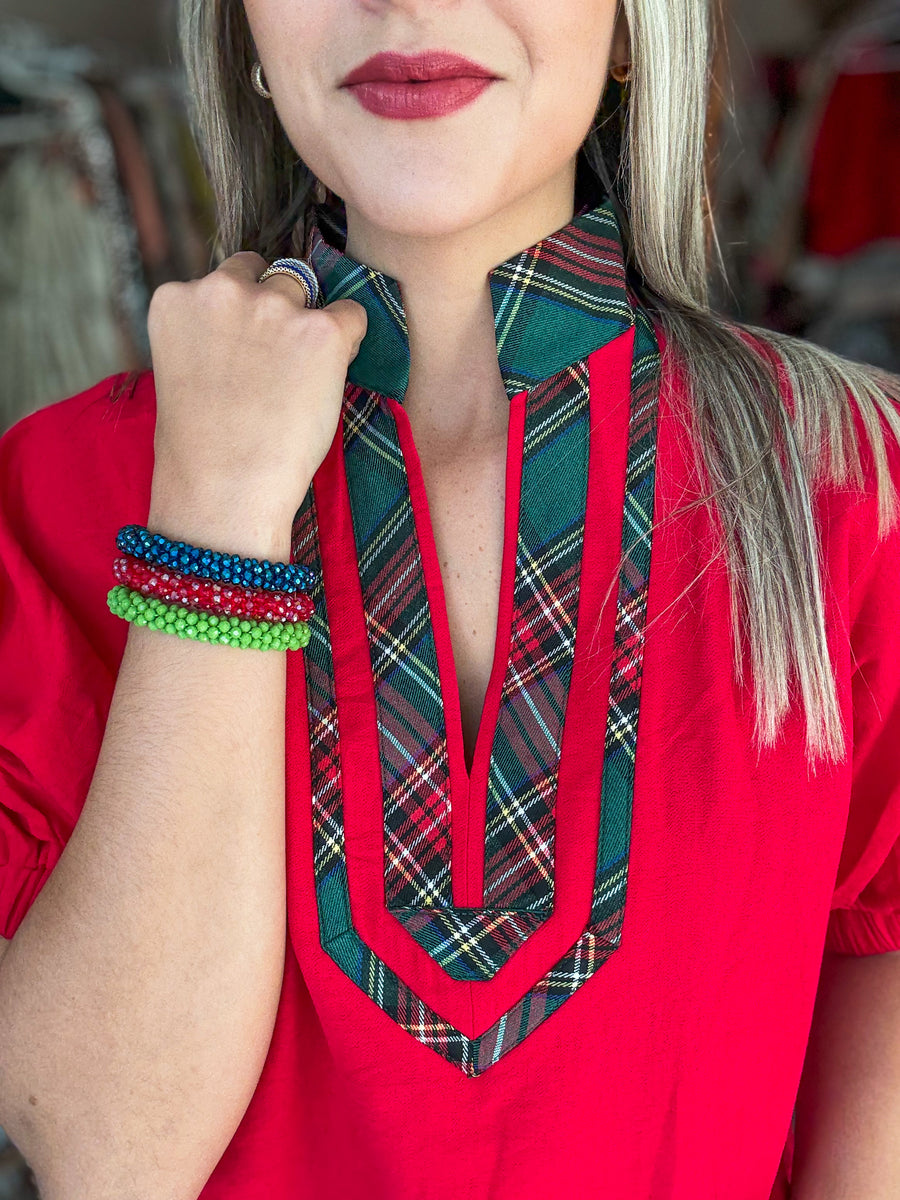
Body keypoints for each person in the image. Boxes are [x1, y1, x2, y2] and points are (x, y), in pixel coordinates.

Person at [0, 0, 898, 1197]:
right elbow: (108, 1154)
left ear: (635, 27)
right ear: (246, 39)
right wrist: (215, 512)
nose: (408, 2)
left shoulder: (851, 483)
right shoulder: (58, 494)